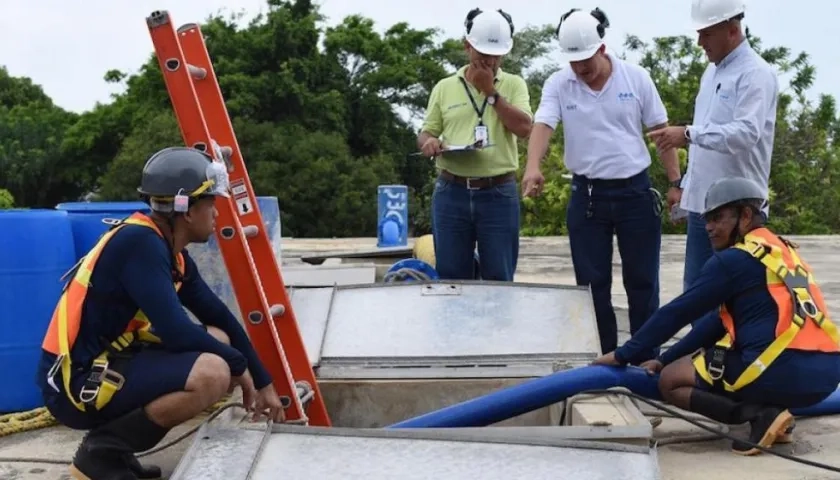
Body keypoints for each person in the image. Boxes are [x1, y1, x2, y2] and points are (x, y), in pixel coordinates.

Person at [37, 147, 285, 480]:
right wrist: (240, 369)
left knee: (219, 338)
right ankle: (102, 455)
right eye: (211, 203)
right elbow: (175, 331)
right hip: (76, 383)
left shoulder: (172, 253)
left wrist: (264, 380)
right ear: (185, 209)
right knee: (213, 372)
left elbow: (221, 318)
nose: (216, 214)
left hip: (110, 359)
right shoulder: (140, 244)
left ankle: (118, 453)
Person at [593, 177, 840, 455]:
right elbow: (715, 324)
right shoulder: (784, 252)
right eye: (707, 219)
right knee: (708, 356)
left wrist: (624, 354)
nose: (709, 227)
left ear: (745, 215)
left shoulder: (733, 260)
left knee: (671, 380)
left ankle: (759, 415)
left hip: (780, 370)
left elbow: (679, 311)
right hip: (828, 375)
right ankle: (775, 414)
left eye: (718, 218)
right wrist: (663, 358)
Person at [522, 8, 681, 361]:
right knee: (592, 285)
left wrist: (676, 182)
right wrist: (532, 167)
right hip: (588, 196)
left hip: (635, 194)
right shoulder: (559, 83)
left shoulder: (636, 78)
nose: (581, 68)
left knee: (642, 282)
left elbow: (660, 134)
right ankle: (604, 358)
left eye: (586, 59)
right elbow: (544, 125)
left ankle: (645, 358)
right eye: (574, 61)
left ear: (602, 48)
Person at [647, 0, 779, 319]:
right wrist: (683, 188)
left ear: (732, 30)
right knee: (697, 295)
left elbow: (745, 134)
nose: (699, 42)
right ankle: (703, 367)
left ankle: (735, 367)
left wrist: (688, 134)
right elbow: (706, 147)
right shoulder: (711, 73)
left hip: (739, 213)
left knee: (739, 301)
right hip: (703, 208)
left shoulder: (756, 74)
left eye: (706, 34)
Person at [417, 7, 533, 281]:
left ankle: (498, 325)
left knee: (499, 277)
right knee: (452, 278)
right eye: (482, 54)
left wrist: (490, 91)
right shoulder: (445, 87)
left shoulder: (514, 84)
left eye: (496, 56)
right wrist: (430, 142)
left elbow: (524, 128)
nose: (490, 62)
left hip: (498, 193)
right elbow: (426, 132)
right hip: (451, 192)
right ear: (467, 46)